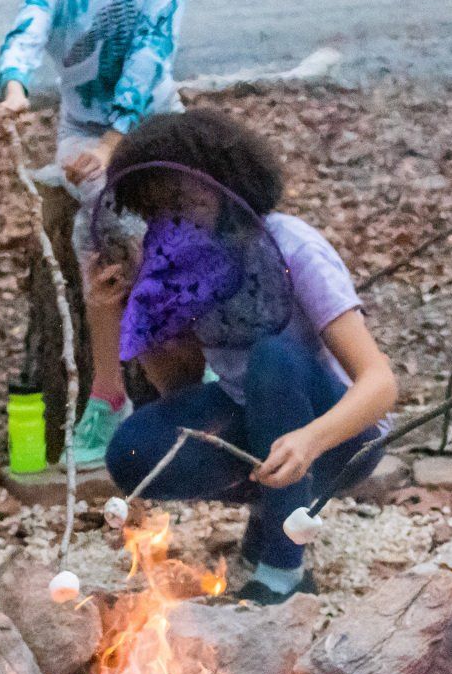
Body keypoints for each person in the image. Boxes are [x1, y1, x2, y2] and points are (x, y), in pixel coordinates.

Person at [101, 110, 396, 605]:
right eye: (158, 212)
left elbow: (380, 384)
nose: (174, 221)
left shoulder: (292, 246)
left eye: (182, 201)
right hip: (252, 419)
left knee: (272, 358)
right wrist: (140, 311)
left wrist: (309, 441)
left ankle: (284, 571)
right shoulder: (183, 265)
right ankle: (273, 508)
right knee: (133, 452)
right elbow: (181, 389)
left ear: (225, 183)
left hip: (338, 433)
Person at [0, 0, 192, 471]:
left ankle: (212, 373)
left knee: (200, 214)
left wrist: (118, 139)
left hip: (155, 117)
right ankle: (109, 394)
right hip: (84, 130)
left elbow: (152, 46)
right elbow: (29, 25)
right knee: (102, 225)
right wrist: (15, 85)